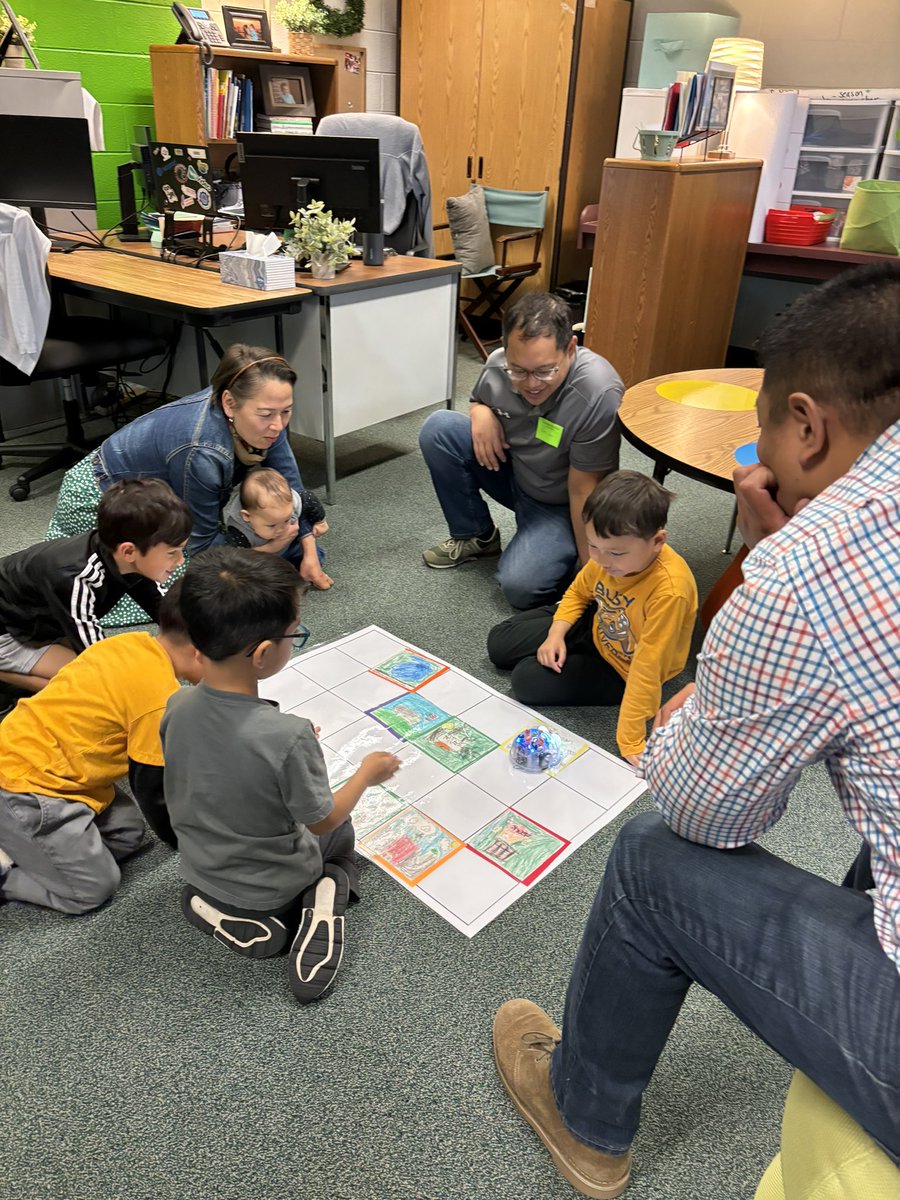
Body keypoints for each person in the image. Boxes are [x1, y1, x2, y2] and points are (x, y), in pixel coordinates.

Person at [490, 262, 900, 1197]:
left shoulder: (800, 574)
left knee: (648, 856)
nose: (752, 462)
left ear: (807, 422)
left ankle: (584, 1116)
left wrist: (756, 586)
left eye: (760, 433)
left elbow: (709, 814)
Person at [161, 547, 401, 1003]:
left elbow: (214, 762)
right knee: (341, 834)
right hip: (276, 883)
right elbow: (322, 820)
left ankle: (221, 909)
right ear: (265, 653)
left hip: (201, 869)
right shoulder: (287, 737)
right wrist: (367, 774)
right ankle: (323, 898)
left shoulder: (176, 706)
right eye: (296, 633)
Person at [46, 344, 331, 626]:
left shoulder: (264, 412)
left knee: (289, 543)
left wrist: (307, 548)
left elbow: (293, 492)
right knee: (189, 587)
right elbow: (202, 549)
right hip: (102, 498)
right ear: (230, 403)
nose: (279, 425)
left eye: (286, 412)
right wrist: (270, 549)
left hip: (164, 495)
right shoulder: (201, 451)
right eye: (268, 414)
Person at [0, 582, 201, 914]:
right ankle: (8, 876)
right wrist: (184, 842)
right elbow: (154, 792)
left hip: (51, 764)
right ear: (199, 652)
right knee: (92, 889)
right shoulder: (158, 704)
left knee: (129, 837)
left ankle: (37, 848)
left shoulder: (130, 642)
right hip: (24, 787)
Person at [419, 292, 622, 610]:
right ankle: (477, 536)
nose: (531, 384)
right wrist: (480, 411)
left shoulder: (598, 391)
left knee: (520, 587)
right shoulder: (500, 364)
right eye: (519, 371)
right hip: (516, 472)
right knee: (440, 429)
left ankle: (564, 555)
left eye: (545, 371)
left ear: (571, 348)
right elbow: (481, 395)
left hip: (564, 501)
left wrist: (590, 571)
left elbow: (584, 489)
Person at [487, 471, 697, 766]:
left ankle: (571, 656)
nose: (602, 560)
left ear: (657, 541)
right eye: (593, 546)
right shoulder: (605, 559)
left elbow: (647, 668)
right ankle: (566, 643)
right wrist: (556, 633)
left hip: (623, 667)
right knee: (499, 643)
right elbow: (578, 592)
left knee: (525, 680)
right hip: (597, 621)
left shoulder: (670, 592)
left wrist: (631, 739)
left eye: (616, 553)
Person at [0, 478, 190, 693]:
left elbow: (164, 609)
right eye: (172, 552)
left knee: (120, 667)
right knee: (101, 684)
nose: (180, 560)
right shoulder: (77, 579)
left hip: (35, 620)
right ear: (128, 551)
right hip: (6, 633)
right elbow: (97, 656)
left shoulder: (128, 559)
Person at [222, 467, 331, 588]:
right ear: (247, 516)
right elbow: (237, 556)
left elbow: (309, 498)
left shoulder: (292, 502)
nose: (281, 530)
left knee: (317, 555)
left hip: (291, 548)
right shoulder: (238, 530)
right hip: (262, 559)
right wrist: (271, 548)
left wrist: (320, 521)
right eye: (272, 525)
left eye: (286, 520)